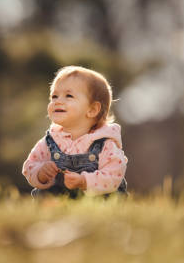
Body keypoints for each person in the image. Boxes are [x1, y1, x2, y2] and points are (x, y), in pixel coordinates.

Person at [22, 66, 128, 197]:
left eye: (68, 96)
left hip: (95, 197)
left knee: (110, 196)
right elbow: (29, 166)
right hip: (61, 195)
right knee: (44, 194)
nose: (57, 101)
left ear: (92, 110)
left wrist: (84, 181)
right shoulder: (51, 140)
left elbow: (113, 175)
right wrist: (40, 173)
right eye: (54, 96)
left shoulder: (105, 143)